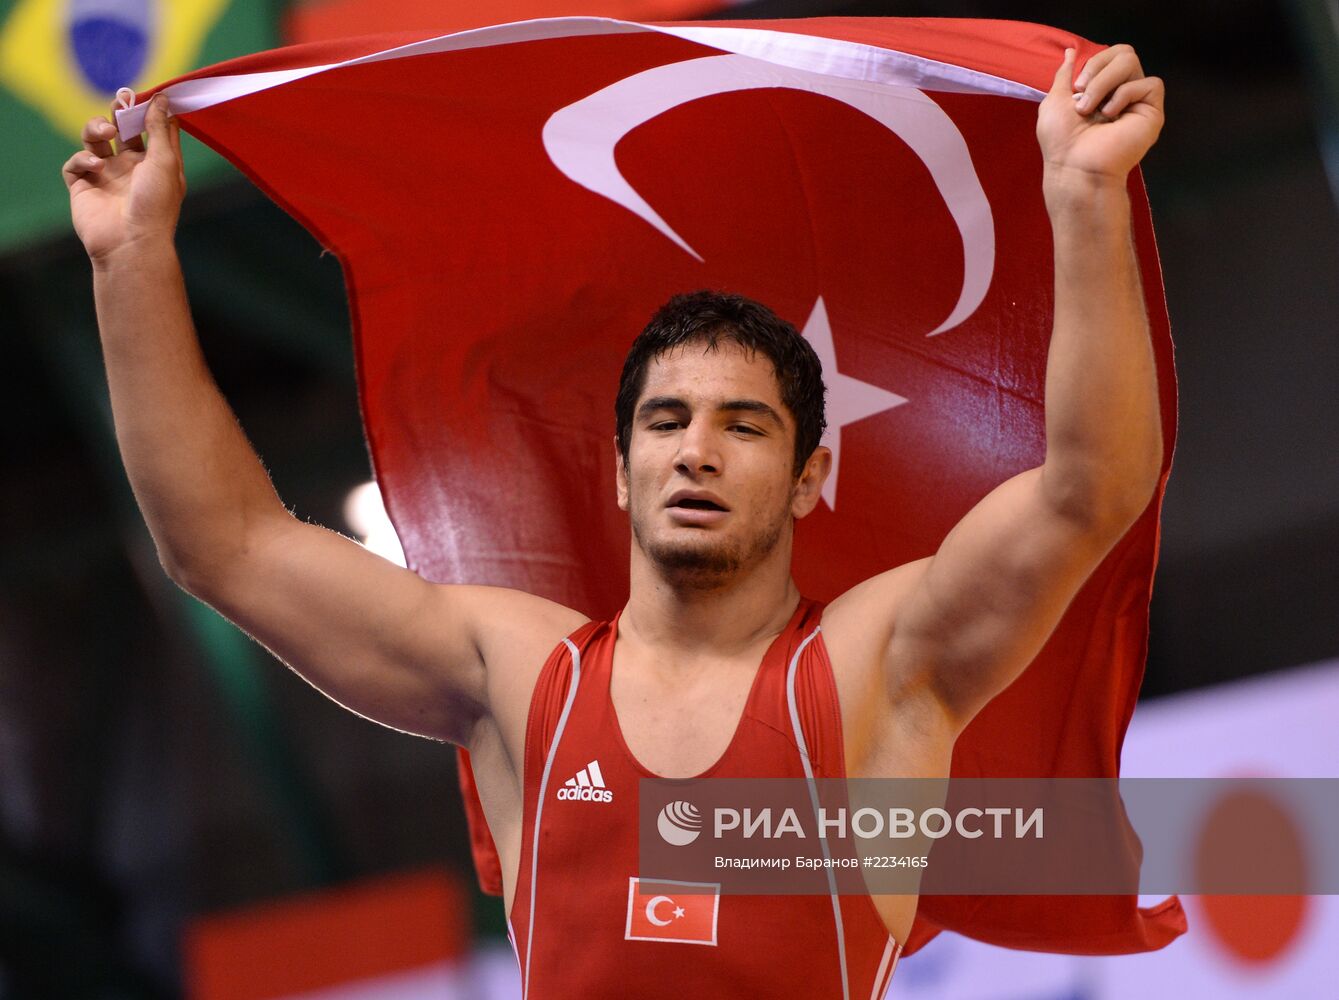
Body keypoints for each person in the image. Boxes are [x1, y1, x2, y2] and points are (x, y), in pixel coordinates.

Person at [64, 41, 1165, 998]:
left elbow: (1089, 488)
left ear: (808, 478)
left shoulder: (876, 673)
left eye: (743, 426)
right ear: (622, 473)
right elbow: (224, 546)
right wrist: (129, 259)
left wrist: (1083, 193)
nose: (696, 449)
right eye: (665, 422)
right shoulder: (515, 679)